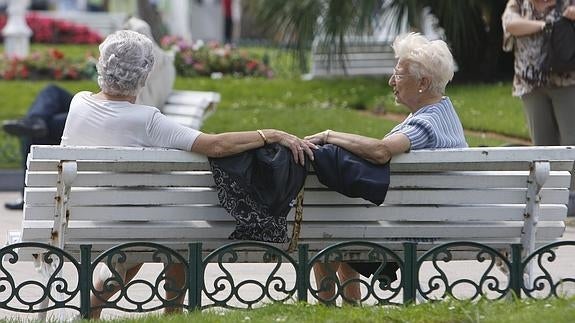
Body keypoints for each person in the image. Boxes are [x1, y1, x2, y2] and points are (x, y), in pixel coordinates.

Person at [62, 29, 315, 318]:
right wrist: (269, 134)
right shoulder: (147, 120)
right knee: (173, 236)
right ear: (145, 75)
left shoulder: (78, 103)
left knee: (140, 234)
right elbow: (216, 145)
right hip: (130, 224)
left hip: (84, 221)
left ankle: (89, 313)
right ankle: (173, 314)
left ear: (102, 65)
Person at [304, 32, 468, 304]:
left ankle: (327, 304)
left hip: (421, 225)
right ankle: (351, 304)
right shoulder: (442, 111)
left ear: (423, 83)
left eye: (398, 75)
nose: (392, 81)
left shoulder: (425, 124)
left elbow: (381, 151)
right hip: (434, 214)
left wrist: (328, 135)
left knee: (329, 221)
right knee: (343, 212)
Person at [1, 16, 176, 210]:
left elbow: (132, 98)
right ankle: (36, 121)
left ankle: (35, 132)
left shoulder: (143, 65)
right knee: (52, 92)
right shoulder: (161, 64)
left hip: (115, 117)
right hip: (110, 109)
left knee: (35, 129)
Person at [502, 0, 575, 146]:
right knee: (542, 146)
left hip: (567, 82)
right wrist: (544, 26)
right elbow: (510, 24)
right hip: (530, 84)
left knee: (571, 143)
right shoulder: (518, 3)